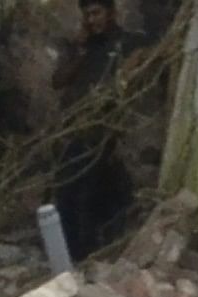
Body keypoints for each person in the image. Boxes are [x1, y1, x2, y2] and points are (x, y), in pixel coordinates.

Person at [47, 0, 141, 257]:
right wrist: (80, 52)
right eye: (87, 15)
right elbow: (58, 81)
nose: (92, 20)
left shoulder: (128, 43)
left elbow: (136, 73)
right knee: (67, 193)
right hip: (72, 130)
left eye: (96, 13)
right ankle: (69, 255)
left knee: (90, 195)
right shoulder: (81, 47)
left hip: (102, 132)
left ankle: (86, 255)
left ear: (111, 13)